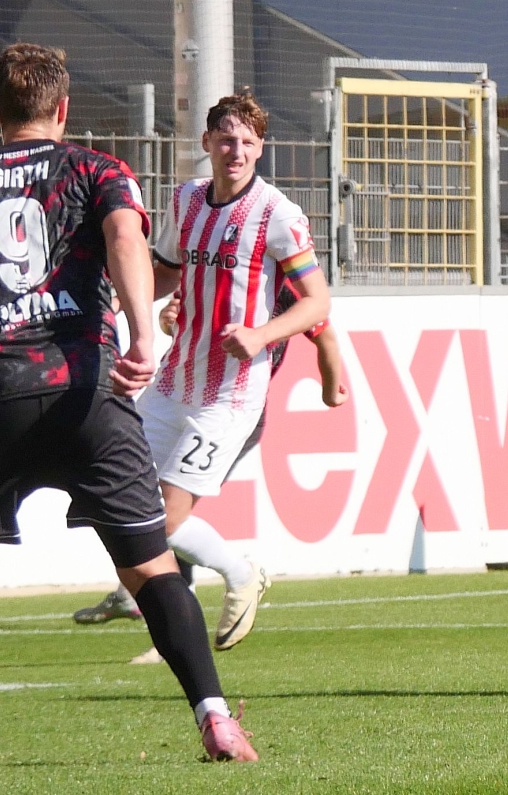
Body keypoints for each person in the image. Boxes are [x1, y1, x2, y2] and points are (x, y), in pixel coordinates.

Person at [0, 44, 256, 763]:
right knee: (151, 569)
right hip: (87, 394)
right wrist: (142, 335)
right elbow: (125, 236)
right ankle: (215, 716)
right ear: (63, 109)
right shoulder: (97, 170)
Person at [123, 93, 333, 654]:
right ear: (207, 143)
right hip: (173, 380)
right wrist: (133, 302)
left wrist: (261, 336)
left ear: (260, 148)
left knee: (165, 520)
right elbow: (167, 271)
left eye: (246, 142)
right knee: (122, 502)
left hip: (230, 394)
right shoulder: (186, 199)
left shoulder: (278, 215)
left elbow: (317, 302)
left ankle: (240, 572)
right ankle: (167, 617)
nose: (235, 151)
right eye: (225, 139)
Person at [75, 275, 348, 651]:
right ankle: (142, 599)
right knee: (131, 502)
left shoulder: (284, 282)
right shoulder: (207, 263)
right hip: (178, 397)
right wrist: (170, 320)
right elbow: (184, 325)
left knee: (167, 518)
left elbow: (324, 333)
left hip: (229, 409)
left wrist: (331, 389)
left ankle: (198, 605)